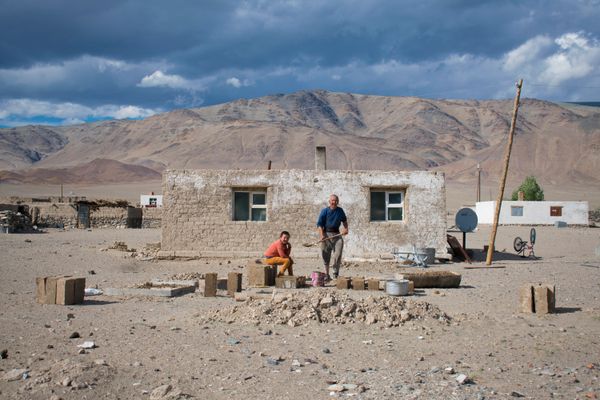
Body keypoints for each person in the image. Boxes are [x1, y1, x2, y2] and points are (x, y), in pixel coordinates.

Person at [316, 194, 348, 280]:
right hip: (326, 234)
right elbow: (319, 224)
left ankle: (335, 273)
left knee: (338, 254)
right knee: (325, 255)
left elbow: (344, 221)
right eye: (332, 200)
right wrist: (322, 235)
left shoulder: (340, 211)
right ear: (329, 201)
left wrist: (345, 229)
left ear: (338, 202)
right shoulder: (324, 211)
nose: (334, 202)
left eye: (336, 200)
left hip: (337, 235)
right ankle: (327, 274)